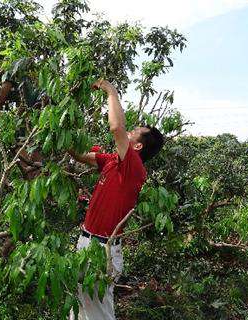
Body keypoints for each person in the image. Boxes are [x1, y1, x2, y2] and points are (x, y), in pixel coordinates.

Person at [68, 79, 164, 320]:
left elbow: (116, 128)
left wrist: (111, 91)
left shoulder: (133, 168)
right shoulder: (113, 161)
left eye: (134, 133)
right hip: (86, 241)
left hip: (103, 249)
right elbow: (80, 154)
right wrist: (62, 124)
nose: (129, 132)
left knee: (97, 311)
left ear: (138, 146)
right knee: (78, 306)